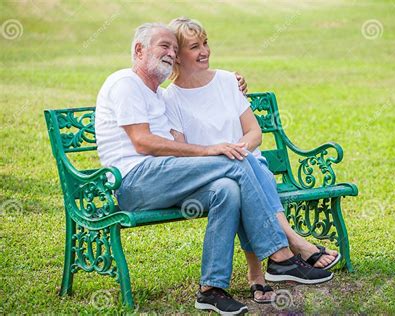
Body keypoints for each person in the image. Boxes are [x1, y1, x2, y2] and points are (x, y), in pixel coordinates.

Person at [95, 22, 333, 315]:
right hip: (135, 182)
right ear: (139, 50)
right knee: (237, 160)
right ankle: (281, 254)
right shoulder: (124, 83)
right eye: (164, 47)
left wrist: (228, 82)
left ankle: (211, 289)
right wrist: (209, 150)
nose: (170, 53)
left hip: (164, 179)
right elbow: (142, 142)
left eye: (173, 47)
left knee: (227, 190)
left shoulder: (155, 92)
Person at [163, 17, 342, 304]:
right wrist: (222, 153)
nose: (204, 51)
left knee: (248, 173)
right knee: (245, 176)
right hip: (211, 171)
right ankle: (291, 246)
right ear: (177, 57)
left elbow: (254, 132)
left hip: (245, 161)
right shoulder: (170, 98)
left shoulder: (226, 81)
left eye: (206, 43)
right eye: (194, 46)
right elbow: (183, 150)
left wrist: (239, 148)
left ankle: (262, 272)